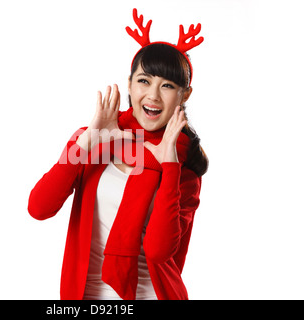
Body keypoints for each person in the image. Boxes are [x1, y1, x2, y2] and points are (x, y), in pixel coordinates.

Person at [28, 9, 208, 300]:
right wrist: (88, 140)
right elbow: (39, 207)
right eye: (144, 81)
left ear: (184, 95)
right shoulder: (95, 140)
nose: (153, 96)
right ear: (129, 83)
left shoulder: (185, 164)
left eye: (167, 86)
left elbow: (159, 251)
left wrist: (169, 166)